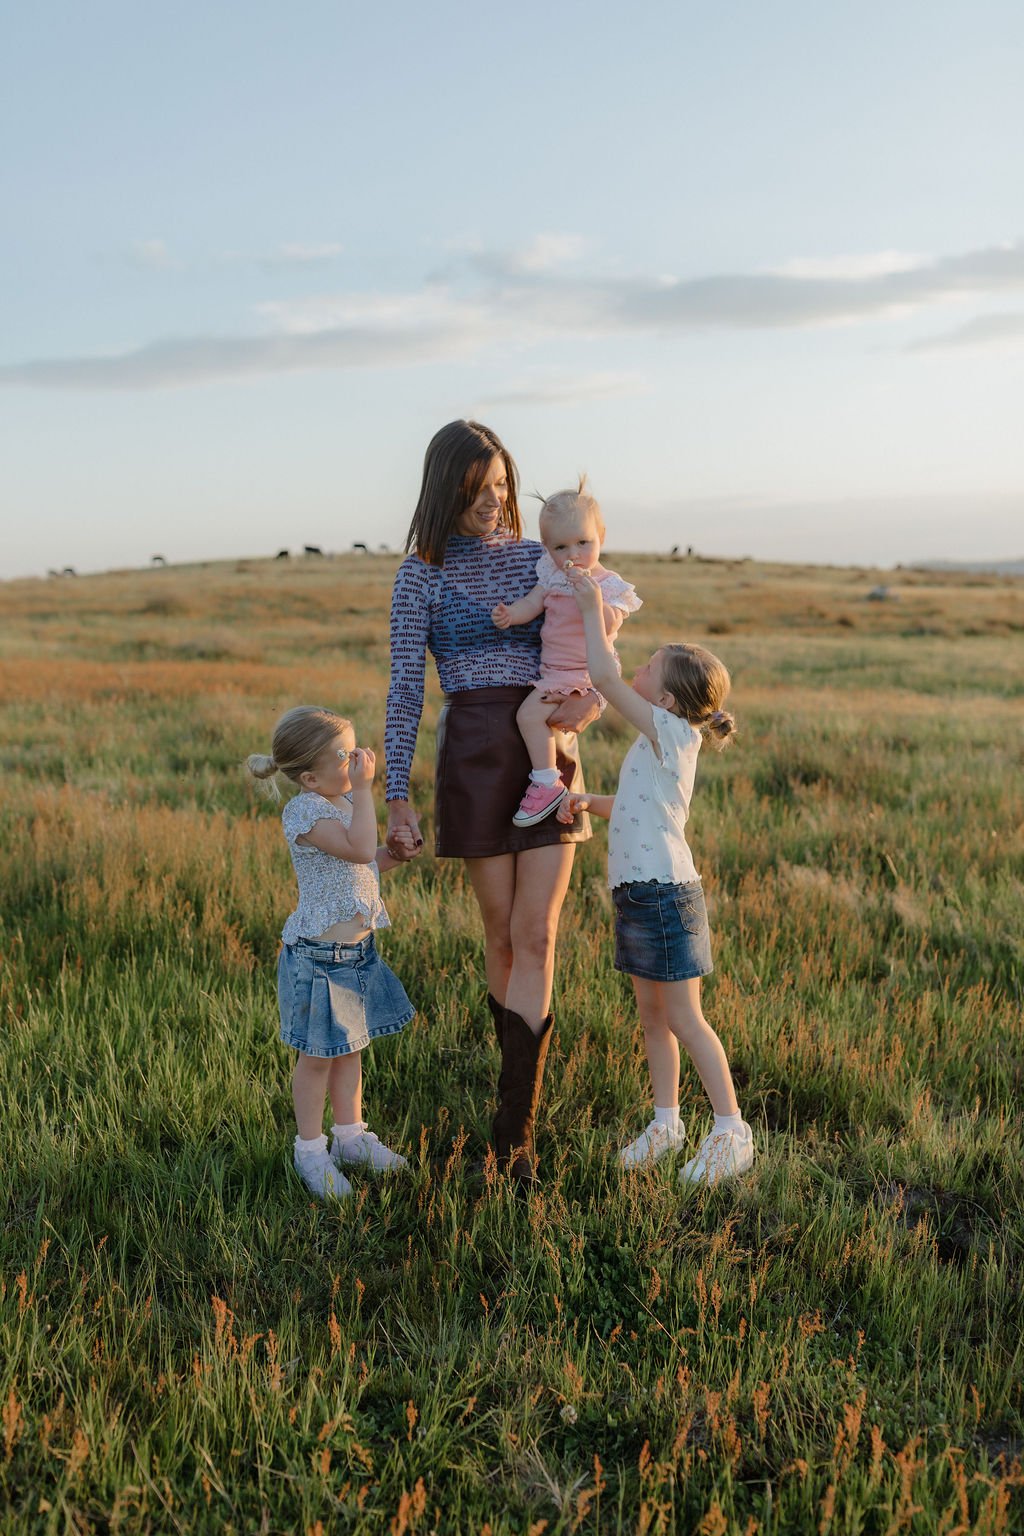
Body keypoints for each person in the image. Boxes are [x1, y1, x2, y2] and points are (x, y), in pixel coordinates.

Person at [384, 420, 599, 1185]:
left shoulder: (544, 556)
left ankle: (513, 1144)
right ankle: (511, 1111)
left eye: (501, 487)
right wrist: (397, 794)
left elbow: (591, 636)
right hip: (474, 751)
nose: (493, 503)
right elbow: (406, 684)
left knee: (538, 936)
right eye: (478, 491)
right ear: (448, 489)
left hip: (547, 749)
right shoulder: (421, 574)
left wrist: (592, 705)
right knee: (504, 937)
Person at [557, 569, 755, 1185]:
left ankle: (731, 1130)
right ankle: (666, 1123)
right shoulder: (658, 741)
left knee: (686, 1019)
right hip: (640, 895)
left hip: (667, 896)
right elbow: (643, 805)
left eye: (648, 668)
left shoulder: (671, 731)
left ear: (666, 701)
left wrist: (592, 608)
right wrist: (591, 801)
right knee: (651, 1015)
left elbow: (603, 676)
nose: (636, 671)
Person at [247, 705, 416, 1200]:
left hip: (357, 954)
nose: (360, 761)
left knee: (351, 1050)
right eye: (348, 756)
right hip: (320, 959)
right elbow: (360, 849)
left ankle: (350, 1136)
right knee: (318, 1058)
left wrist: (397, 856)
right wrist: (365, 792)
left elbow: (367, 861)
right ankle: (311, 1150)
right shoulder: (303, 811)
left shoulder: (340, 800)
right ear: (309, 775)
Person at [491, 476, 641, 828]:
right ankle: (549, 781)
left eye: (583, 543)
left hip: (583, 674)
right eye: (560, 548)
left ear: (600, 537)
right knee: (537, 720)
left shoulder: (607, 584)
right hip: (554, 672)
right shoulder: (551, 575)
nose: (573, 555)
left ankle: (546, 782)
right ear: (546, 548)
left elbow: (609, 628)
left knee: (528, 717)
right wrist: (512, 614)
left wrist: (593, 602)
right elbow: (534, 601)